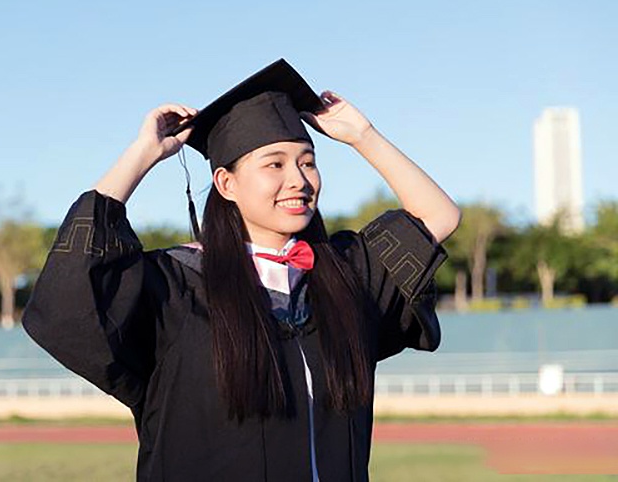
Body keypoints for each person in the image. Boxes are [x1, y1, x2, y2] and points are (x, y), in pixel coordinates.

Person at [22, 59, 461, 481]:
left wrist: (364, 136)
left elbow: (438, 218)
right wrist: (142, 154)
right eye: (275, 164)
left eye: (307, 162)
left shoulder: (341, 277)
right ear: (226, 184)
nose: (299, 180)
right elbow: (70, 294)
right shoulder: (174, 288)